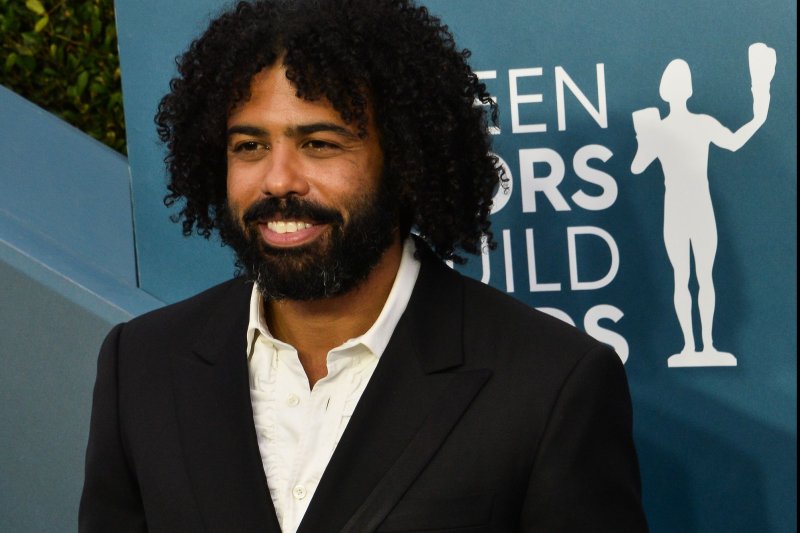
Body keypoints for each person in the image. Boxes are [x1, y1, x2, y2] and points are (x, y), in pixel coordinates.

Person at [80, 0, 648, 531]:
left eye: (320, 144)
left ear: (405, 161)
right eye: (249, 146)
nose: (278, 180)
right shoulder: (142, 365)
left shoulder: (549, 382)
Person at [631, 44, 774, 367]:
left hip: (697, 207)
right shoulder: (663, 128)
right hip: (682, 209)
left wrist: (761, 110)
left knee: (698, 277)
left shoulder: (696, 124)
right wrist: (645, 137)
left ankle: (704, 346)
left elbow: (734, 142)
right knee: (686, 277)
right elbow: (638, 166)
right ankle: (692, 346)